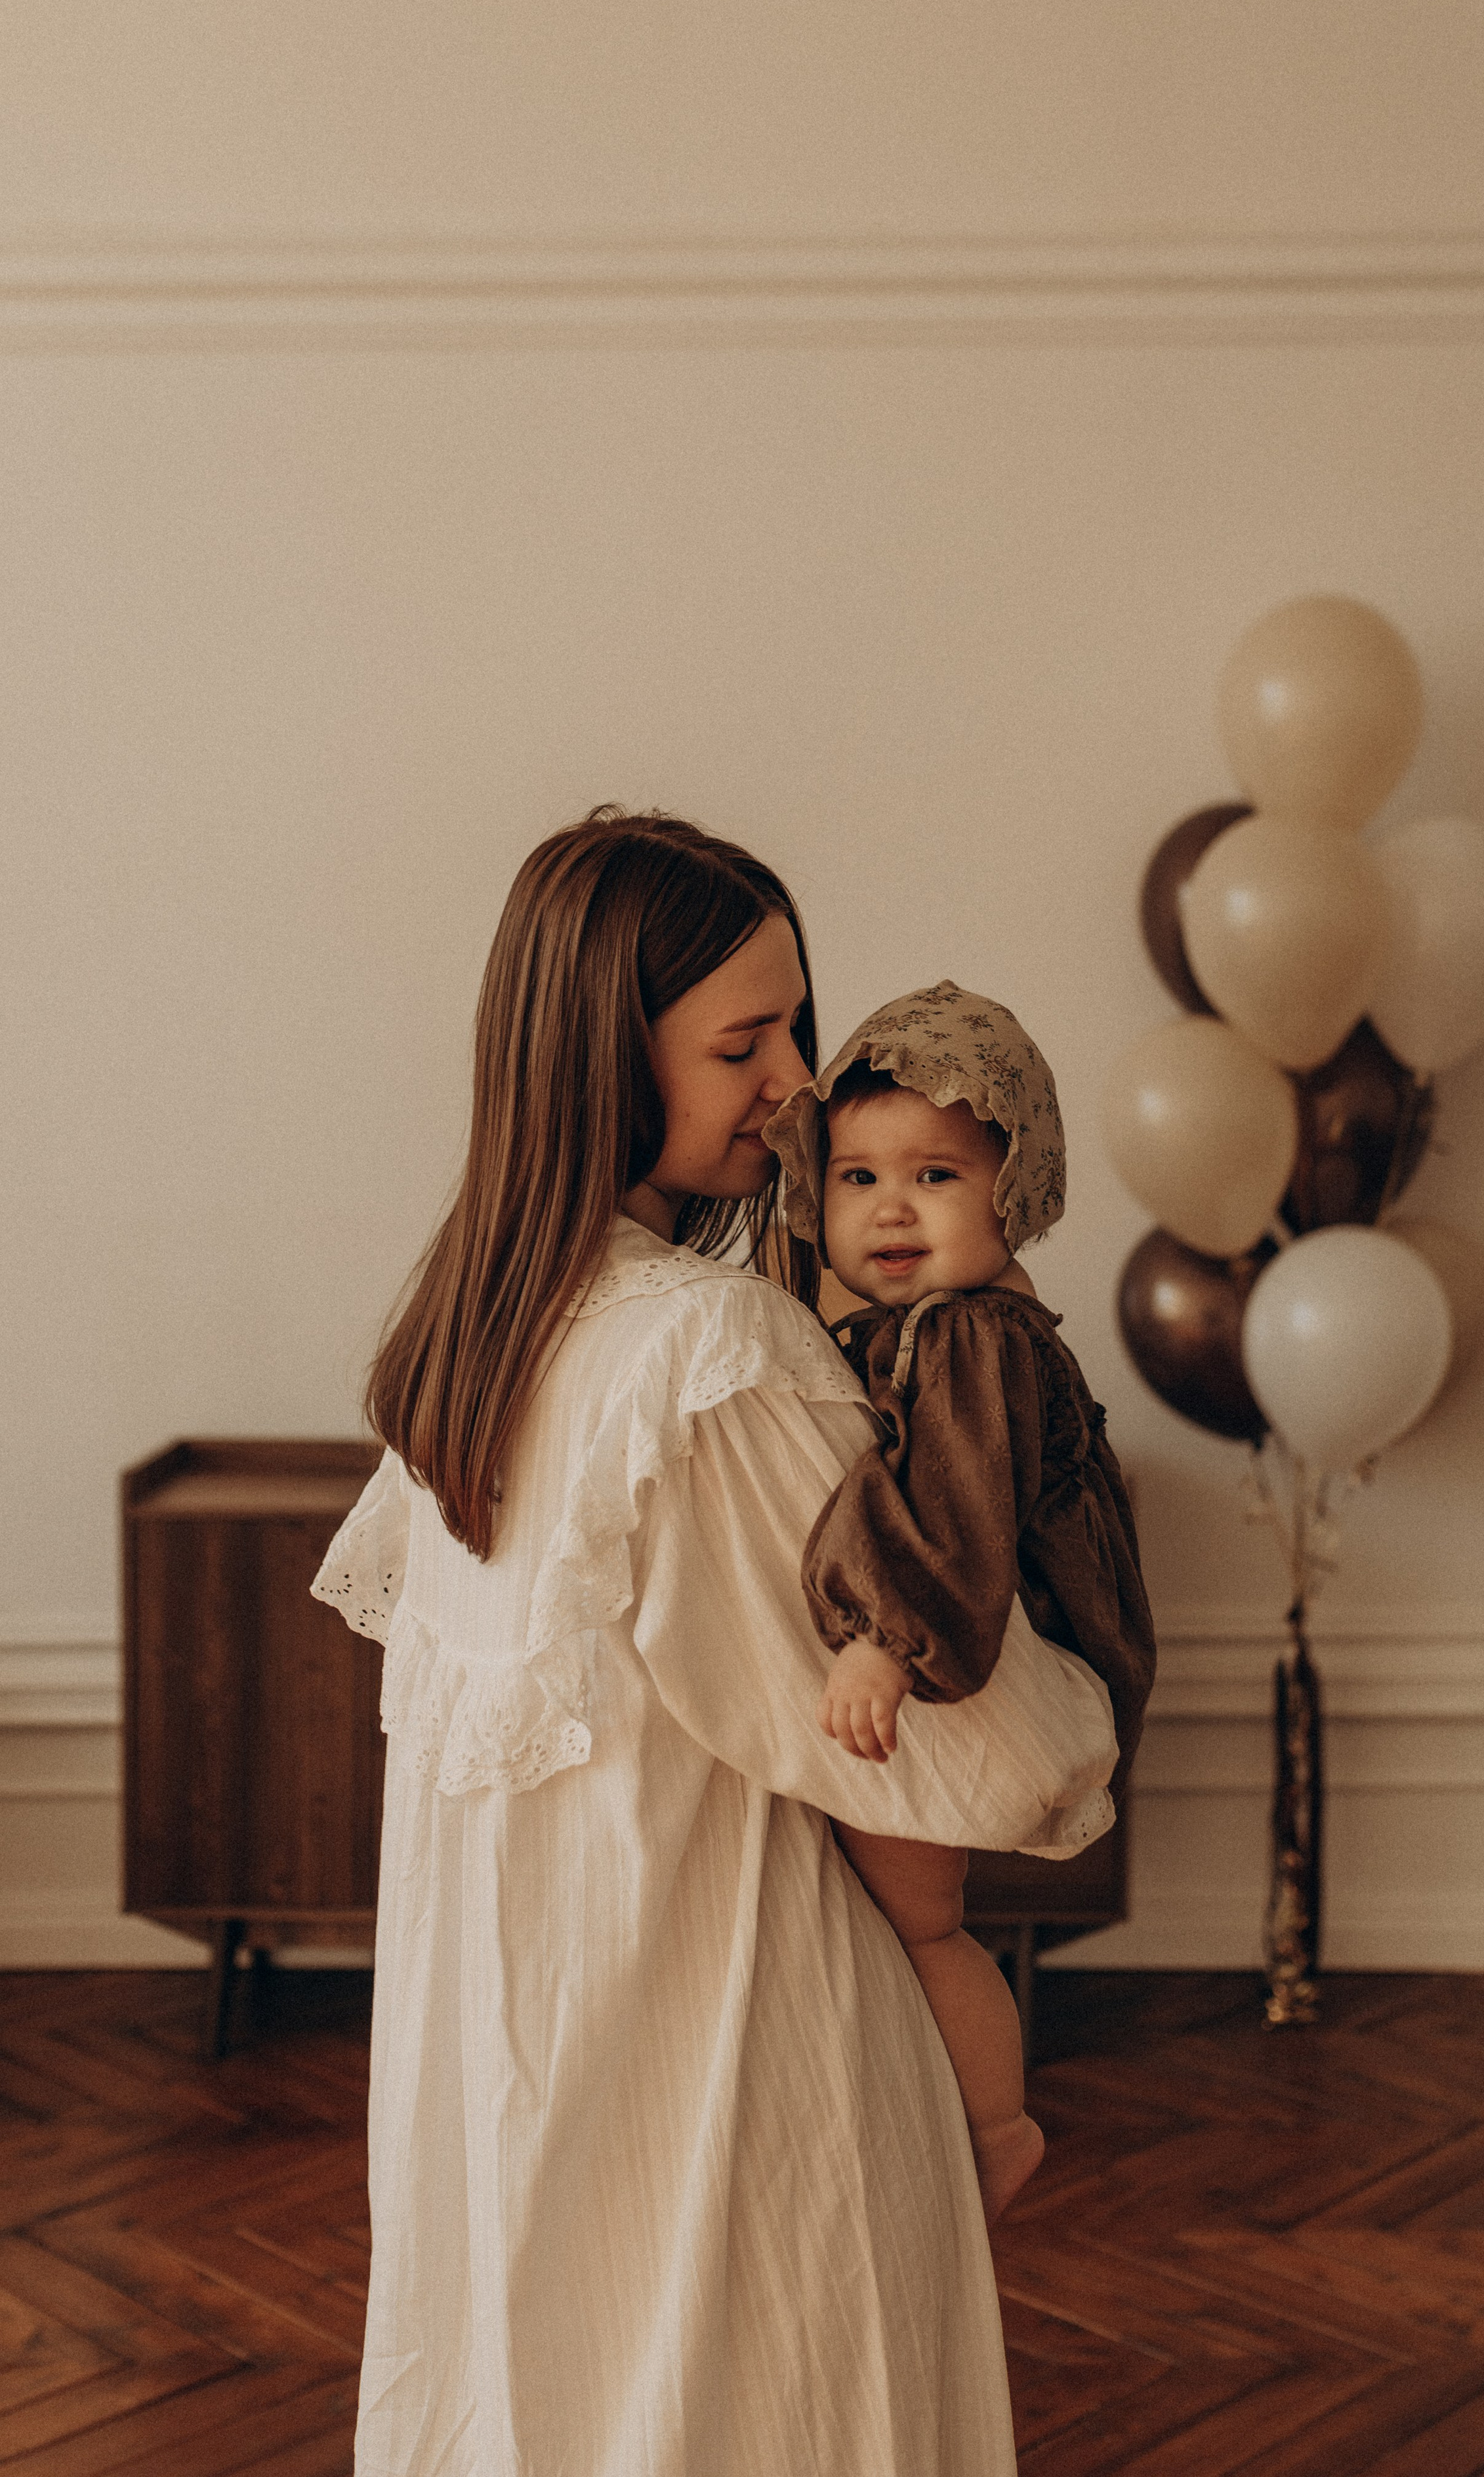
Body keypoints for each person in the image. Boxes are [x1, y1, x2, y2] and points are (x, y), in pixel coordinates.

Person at [310, 812, 1121, 2477]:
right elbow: (967, 1744)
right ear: (607, 1055)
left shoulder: (462, 1330)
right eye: (742, 1041)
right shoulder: (705, 1352)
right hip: (732, 2087)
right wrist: (1076, 1661)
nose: (796, 1080)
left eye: (796, 1025)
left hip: (510, 2104)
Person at [763, 982, 1156, 2228]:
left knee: (927, 1925)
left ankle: (996, 2129)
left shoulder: (975, 1339)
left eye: (936, 1176)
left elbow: (954, 1510)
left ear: (1013, 1190)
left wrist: (885, 1640)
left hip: (977, 1648)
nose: (889, 1206)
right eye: (855, 1176)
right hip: (987, 1647)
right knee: (906, 1920)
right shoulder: (917, 1323)